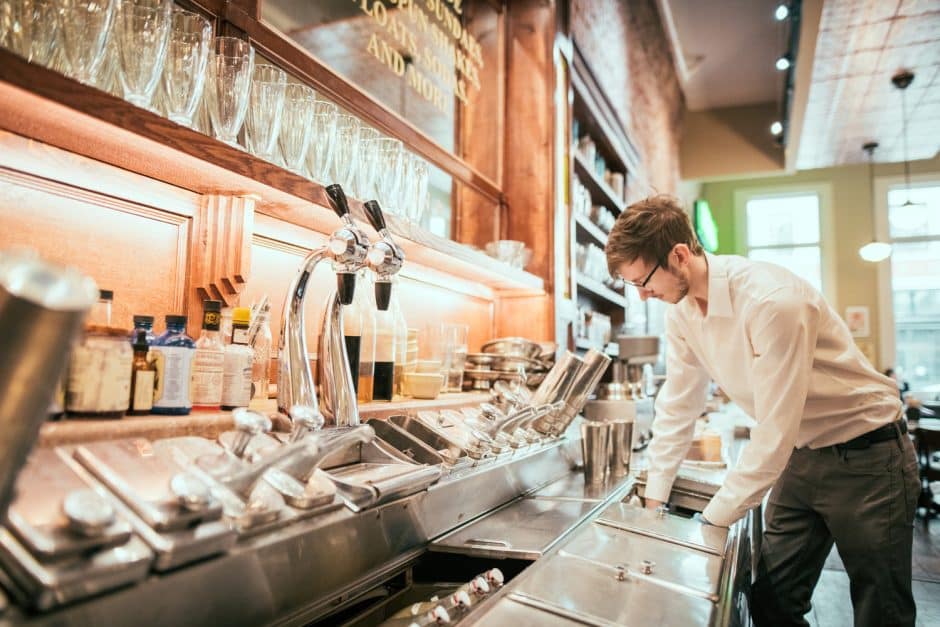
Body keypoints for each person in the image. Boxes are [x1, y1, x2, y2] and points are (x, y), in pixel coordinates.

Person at [605, 196, 920, 627]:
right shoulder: (680, 315)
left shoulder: (772, 301)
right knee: (771, 602)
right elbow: (679, 404)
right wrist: (653, 503)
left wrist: (709, 522)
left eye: (644, 280)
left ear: (679, 255)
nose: (642, 294)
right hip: (803, 457)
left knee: (881, 611)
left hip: (869, 457)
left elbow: (774, 433)